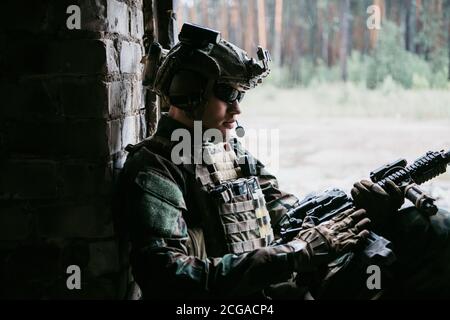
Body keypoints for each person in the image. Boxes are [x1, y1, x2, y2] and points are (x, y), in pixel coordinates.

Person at [115, 23, 450, 300]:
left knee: (426, 227)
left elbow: (286, 213)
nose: (237, 109)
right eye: (228, 94)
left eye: (240, 96)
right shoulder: (155, 168)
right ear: (189, 92)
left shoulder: (230, 152)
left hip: (280, 289)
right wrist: (296, 253)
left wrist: (364, 214)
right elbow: (166, 277)